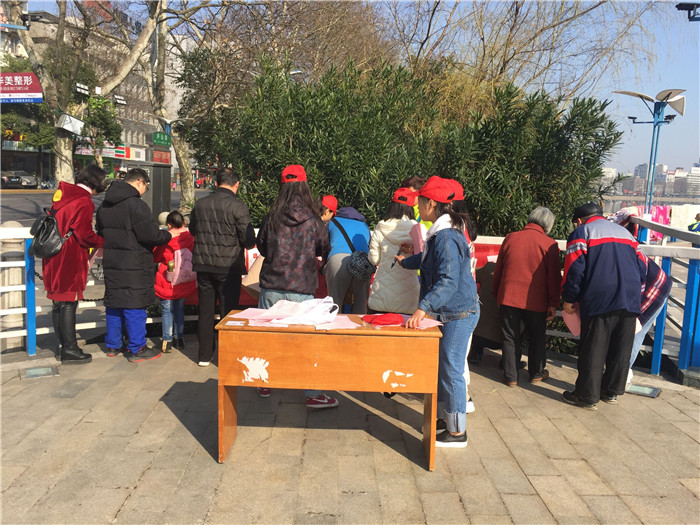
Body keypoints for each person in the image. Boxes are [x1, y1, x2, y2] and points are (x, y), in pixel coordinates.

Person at [395, 176, 480, 448]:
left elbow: (448, 280)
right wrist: (405, 262)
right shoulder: (441, 232)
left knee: (452, 369)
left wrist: (423, 308)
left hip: (458, 313)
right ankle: (444, 419)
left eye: (420, 201)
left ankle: (457, 432)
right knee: (444, 368)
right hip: (449, 312)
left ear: (431, 203)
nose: (418, 205)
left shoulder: (445, 236)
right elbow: (427, 261)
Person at [256, 164, 337, 408]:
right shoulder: (313, 220)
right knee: (305, 343)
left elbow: (262, 247)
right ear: (304, 186)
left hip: (271, 285)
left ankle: (263, 381)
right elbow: (323, 247)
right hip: (301, 288)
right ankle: (313, 394)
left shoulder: (272, 216)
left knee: (266, 339)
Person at [561, 202, 646, 409]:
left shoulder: (582, 233)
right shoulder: (626, 234)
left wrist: (569, 299)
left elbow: (574, 269)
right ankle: (610, 392)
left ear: (579, 220)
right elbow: (642, 267)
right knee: (620, 348)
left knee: (594, 348)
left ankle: (586, 397)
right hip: (630, 297)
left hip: (600, 298)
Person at [97, 168, 172, 362]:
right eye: (146, 186)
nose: (145, 190)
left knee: (114, 303)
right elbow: (150, 235)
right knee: (134, 305)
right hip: (134, 262)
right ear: (140, 182)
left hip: (112, 261)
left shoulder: (105, 205)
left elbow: (100, 231)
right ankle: (137, 348)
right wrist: (167, 235)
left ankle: (113, 345)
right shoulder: (136, 205)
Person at [189, 168, 255, 367]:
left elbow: (193, 230)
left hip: (203, 265)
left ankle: (204, 356)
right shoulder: (238, 207)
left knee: (205, 311)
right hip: (228, 267)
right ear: (237, 185)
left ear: (216, 184)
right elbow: (248, 240)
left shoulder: (200, 204)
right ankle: (227, 357)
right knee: (229, 312)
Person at [42, 165, 106, 364]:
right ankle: (70, 348)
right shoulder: (84, 201)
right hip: (69, 256)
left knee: (58, 302)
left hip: (53, 254)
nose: (104, 184)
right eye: (103, 181)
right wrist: (103, 241)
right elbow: (85, 235)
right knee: (69, 302)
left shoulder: (65, 195)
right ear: (95, 181)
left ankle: (63, 345)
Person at [492, 207, 561, 386]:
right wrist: (553, 302)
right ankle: (536, 373)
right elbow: (554, 278)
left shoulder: (511, 238)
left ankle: (510, 376)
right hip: (537, 300)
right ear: (549, 224)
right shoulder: (550, 244)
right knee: (537, 336)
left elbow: (499, 269)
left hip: (509, 296)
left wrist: (496, 292)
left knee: (510, 337)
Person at [367, 187, 420, 314]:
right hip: (409, 298)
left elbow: (374, 260)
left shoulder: (381, 226)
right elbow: (423, 256)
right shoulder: (417, 228)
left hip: (381, 296)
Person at [153, 210, 197, 354]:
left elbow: (157, 257)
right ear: (183, 222)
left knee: (166, 310)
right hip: (183, 278)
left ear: (169, 224)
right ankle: (179, 339)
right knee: (179, 309)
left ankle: (167, 341)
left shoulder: (165, 239)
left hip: (167, 278)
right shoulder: (190, 238)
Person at [627, 253, 671, 384]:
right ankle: (620, 373)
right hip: (649, 283)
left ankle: (623, 373)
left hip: (654, 288)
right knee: (631, 332)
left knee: (634, 332)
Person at [326, 203, 372, 314]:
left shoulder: (332, 222)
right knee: (361, 304)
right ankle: (359, 324)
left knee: (335, 303)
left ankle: (334, 324)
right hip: (362, 261)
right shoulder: (365, 225)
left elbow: (324, 243)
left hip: (338, 259)